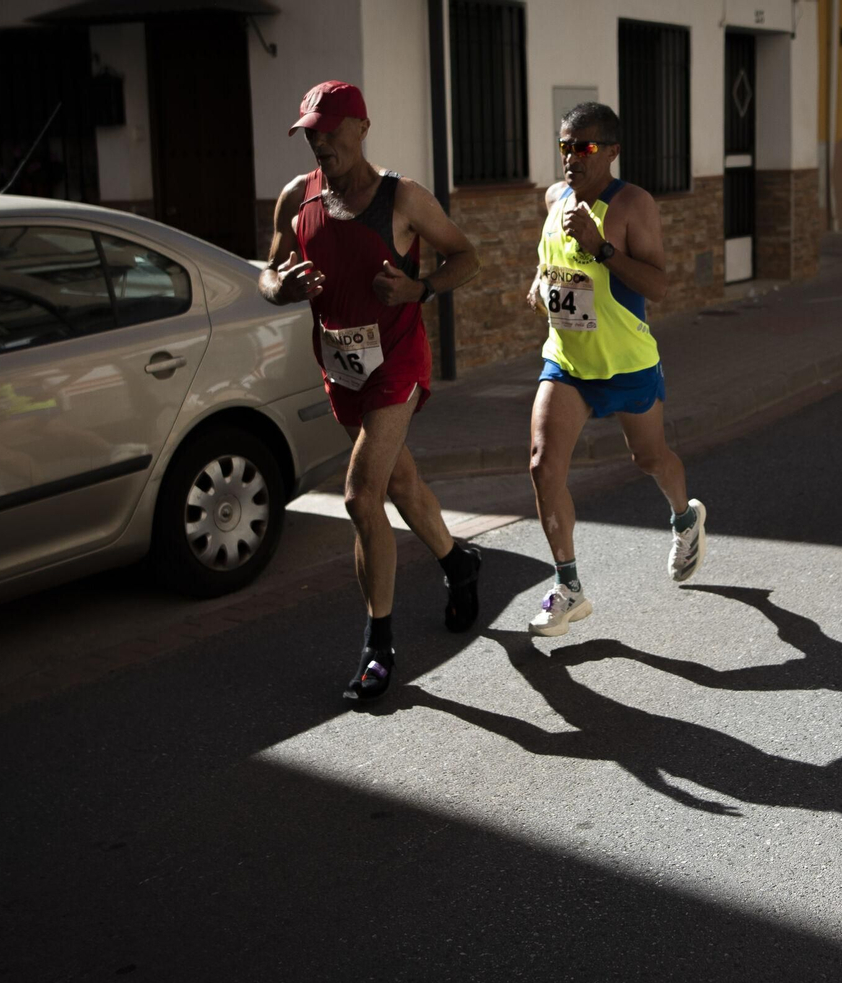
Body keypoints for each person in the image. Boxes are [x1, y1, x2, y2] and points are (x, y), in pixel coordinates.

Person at [259, 80, 484, 703]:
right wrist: (283, 288)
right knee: (401, 483)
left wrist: (420, 290)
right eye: (311, 132)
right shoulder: (294, 200)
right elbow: (268, 272)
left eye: (330, 131)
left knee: (362, 496)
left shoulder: (402, 198)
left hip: (398, 361)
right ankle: (456, 562)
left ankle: (378, 647)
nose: (320, 143)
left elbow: (467, 257)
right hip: (342, 367)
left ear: (361, 127)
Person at [522, 102, 706, 637]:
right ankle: (569, 586)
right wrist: (540, 284)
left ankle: (684, 517)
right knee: (541, 465)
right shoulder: (554, 198)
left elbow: (658, 285)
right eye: (565, 146)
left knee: (648, 457)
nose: (572, 157)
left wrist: (600, 248)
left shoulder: (632, 205)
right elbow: (548, 259)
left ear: (611, 150)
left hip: (626, 362)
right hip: (568, 361)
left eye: (585, 146)